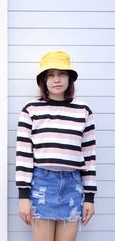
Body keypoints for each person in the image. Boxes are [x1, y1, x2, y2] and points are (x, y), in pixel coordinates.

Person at [16, 51, 97, 241]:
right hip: (42, 184)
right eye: (50, 74)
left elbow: (89, 157)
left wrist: (90, 198)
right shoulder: (31, 110)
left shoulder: (83, 111)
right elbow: (23, 155)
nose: (56, 79)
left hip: (72, 185)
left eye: (61, 74)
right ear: (43, 80)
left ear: (70, 78)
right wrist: (23, 196)